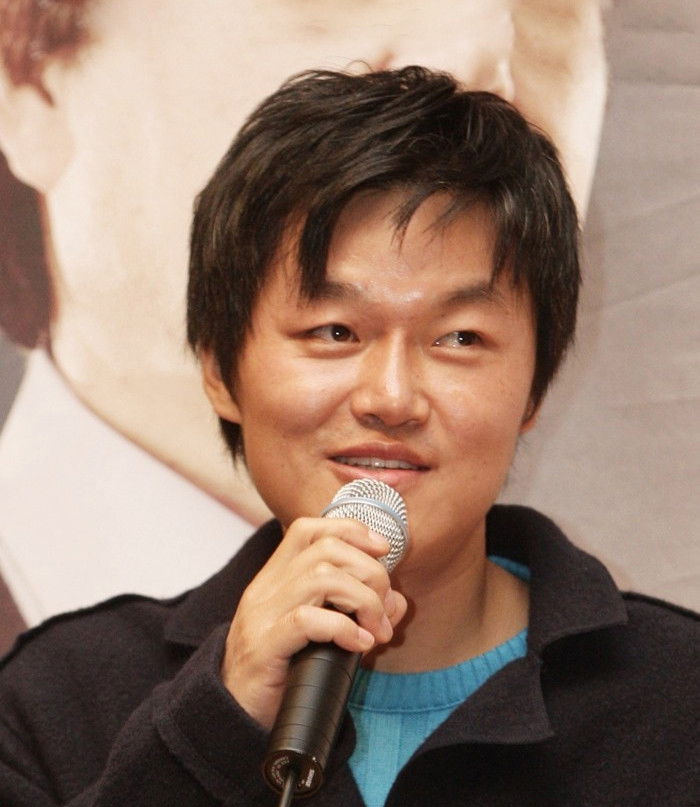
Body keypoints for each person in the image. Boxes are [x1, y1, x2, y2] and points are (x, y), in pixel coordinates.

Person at [0, 67, 696, 807]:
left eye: (459, 337)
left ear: (534, 388)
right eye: (333, 331)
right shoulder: (58, 703)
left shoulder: (676, 710)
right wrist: (216, 723)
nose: (390, 396)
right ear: (220, 367)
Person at [0, 0, 608, 636]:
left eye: (545, 4)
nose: (468, 65)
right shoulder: (51, 684)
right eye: (336, 332)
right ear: (28, 85)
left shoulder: (654, 679)